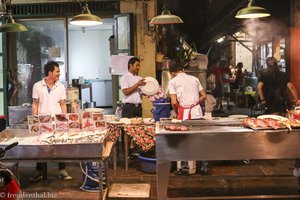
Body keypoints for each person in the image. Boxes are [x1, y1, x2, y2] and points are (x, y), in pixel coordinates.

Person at [30, 61, 72, 182]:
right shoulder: (37, 86)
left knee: (60, 145)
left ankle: (62, 170)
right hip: (43, 121)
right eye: (57, 71)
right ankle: (39, 171)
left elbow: (63, 104)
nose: (59, 73)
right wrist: (34, 120)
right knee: (40, 146)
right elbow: (35, 103)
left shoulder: (61, 86)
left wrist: (65, 119)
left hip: (57, 121)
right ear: (50, 73)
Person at [168, 64, 207, 175]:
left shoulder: (173, 81)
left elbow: (174, 102)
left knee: (184, 141)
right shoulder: (195, 79)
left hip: (184, 114)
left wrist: (177, 111)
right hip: (197, 112)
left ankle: (185, 168)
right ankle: (203, 166)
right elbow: (204, 96)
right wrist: (194, 104)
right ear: (183, 70)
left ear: (172, 73)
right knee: (199, 140)